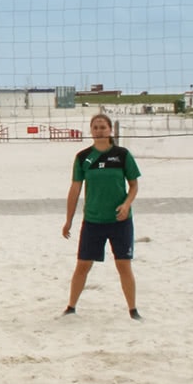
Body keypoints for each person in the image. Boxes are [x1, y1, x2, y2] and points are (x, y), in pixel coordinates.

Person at [59, 114, 142, 320]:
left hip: (119, 220)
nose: (99, 130)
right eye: (95, 127)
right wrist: (68, 220)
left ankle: (133, 310)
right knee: (83, 265)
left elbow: (133, 185)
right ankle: (70, 307)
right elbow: (75, 189)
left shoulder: (122, 155)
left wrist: (126, 204)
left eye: (103, 127)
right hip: (93, 220)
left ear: (110, 130)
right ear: (91, 131)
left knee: (123, 264)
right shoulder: (83, 157)